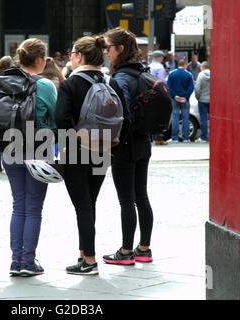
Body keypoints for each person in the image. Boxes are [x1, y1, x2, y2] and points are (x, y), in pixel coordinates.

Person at [55, 35, 130, 275]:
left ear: (79, 56)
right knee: (90, 203)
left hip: (76, 153)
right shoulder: (111, 82)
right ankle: (83, 254)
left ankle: (89, 261)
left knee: (83, 207)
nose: (71, 58)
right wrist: (112, 145)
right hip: (104, 151)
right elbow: (125, 120)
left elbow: (62, 121)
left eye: (72, 54)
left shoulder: (70, 84)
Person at [3, 38, 57, 277]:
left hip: (10, 147)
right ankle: (28, 261)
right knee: (34, 208)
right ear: (39, 59)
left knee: (18, 205)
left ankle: (15, 260)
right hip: (38, 149)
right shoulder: (45, 85)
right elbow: (56, 121)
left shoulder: (3, 80)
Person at [102, 27, 155, 265]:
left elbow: (117, 114)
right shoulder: (142, 72)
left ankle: (125, 252)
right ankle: (144, 248)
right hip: (144, 141)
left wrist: (114, 143)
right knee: (141, 196)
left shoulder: (120, 78)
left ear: (120, 49)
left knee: (126, 200)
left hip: (125, 145)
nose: (106, 52)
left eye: (108, 48)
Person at [166, 59, 195, 143]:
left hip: (175, 99)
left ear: (178, 64)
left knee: (175, 117)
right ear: (185, 65)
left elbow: (169, 87)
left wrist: (175, 96)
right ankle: (186, 138)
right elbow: (191, 88)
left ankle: (174, 137)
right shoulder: (189, 75)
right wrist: (185, 96)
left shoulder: (172, 74)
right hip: (185, 99)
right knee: (185, 118)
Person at [149, 50, 168, 146]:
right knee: (160, 116)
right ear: (160, 58)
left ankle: (152, 137)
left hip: (149, 93)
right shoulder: (160, 67)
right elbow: (162, 82)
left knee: (151, 115)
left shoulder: (148, 66)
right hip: (158, 94)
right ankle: (159, 138)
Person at [195, 61, 210, 142]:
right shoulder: (213, 74)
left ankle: (204, 137)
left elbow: (197, 88)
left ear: (202, 67)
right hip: (212, 100)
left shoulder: (200, 75)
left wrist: (198, 98)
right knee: (213, 119)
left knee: (203, 119)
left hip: (202, 100)